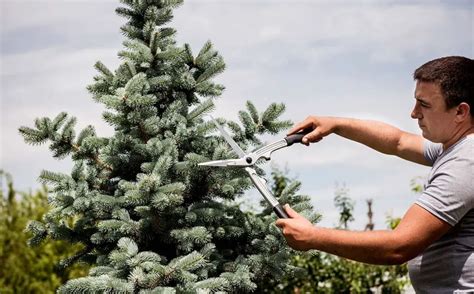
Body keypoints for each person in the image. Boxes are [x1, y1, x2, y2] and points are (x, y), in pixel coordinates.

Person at [276, 56, 474, 292]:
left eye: (425, 104)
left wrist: (313, 237)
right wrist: (335, 124)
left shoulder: (466, 161)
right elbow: (398, 142)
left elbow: (399, 246)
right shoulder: (452, 147)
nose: (414, 113)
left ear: (461, 112)